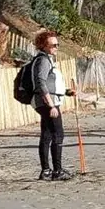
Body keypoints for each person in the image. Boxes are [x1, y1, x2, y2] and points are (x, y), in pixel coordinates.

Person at [31, 29, 73, 181]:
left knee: (47, 135)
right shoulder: (42, 61)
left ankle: (46, 170)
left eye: (57, 44)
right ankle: (57, 170)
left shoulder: (45, 59)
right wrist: (51, 105)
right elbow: (41, 82)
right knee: (57, 134)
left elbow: (50, 82)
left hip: (47, 101)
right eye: (53, 45)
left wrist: (66, 92)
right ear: (43, 46)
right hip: (47, 103)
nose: (57, 47)